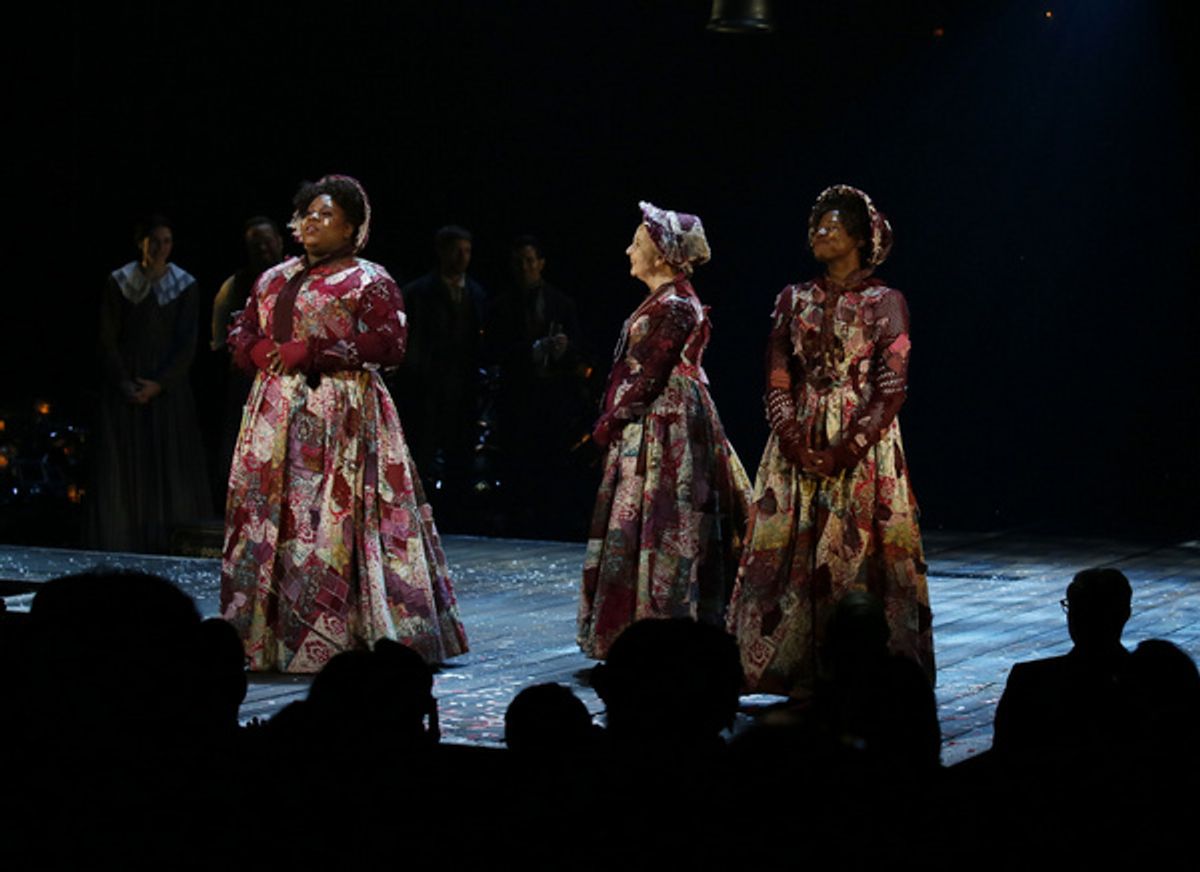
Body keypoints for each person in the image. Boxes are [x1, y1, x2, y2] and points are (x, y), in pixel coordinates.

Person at [220, 175, 468, 673]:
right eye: (306, 211)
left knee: (330, 523)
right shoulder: (272, 277)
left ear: (353, 227)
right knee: (276, 520)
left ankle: (343, 633)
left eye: (326, 213)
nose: (311, 219)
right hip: (274, 417)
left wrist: (313, 350)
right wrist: (254, 348)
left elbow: (390, 344)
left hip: (341, 415)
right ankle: (268, 636)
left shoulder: (368, 279)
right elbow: (242, 326)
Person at [726, 185, 934, 696]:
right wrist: (794, 441)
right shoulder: (792, 299)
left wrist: (845, 450)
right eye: (815, 224)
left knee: (857, 552)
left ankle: (863, 671)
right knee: (788, 553)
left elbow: (891, 388)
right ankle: (791, 667)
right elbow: (777, 376)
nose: (818, 231)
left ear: (861, 238)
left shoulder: (887, 303)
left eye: (831, 225)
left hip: (862, 444)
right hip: (797, 440)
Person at [578, 202, 751, 660]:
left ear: (659, 252)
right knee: (643, 521)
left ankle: (663, 625)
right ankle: (635, 624)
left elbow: (653, 373)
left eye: (637, 242)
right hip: (652, 417)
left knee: (664, 518)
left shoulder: (675, 304)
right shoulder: (663, 300)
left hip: (667, 422)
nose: (629, 249)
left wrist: (611, 421)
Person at [88, 215, 211, 552]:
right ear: (140, 242)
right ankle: (122, 543)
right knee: (124, 470)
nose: (160, 248)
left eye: (167, 241)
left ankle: (167, 544)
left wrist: (159, 383)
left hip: (166, 390)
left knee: (169, 465)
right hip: (125, 386)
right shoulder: (120, 281)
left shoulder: (184, 284)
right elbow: (107, 338)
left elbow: (187, 343)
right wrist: (123, 382)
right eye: (154, 240)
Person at [487, 235, 594, 537]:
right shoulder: (500, 306)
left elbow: (580, 350)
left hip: (552, 399)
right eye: (519, 262)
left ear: (541, 264)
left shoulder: (562, 303)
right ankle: (517, 522)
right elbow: (494, 351)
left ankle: (551, 522)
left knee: (552, 463)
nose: (525, 267)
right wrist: (531, 350)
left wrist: (564, 350)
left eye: (530, 261)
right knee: (517, 463)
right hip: (517, 398)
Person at [394, 224, 489, 505]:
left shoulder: (477, 293)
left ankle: (457, 511)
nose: (462, 257)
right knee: (422, 454)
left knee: (460, 456)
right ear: (441, 252)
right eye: (456, 250)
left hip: (464, 388)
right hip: (426, 389)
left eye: (467, 251)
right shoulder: (417, 293)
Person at [208, 217, 285, 510]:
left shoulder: (298, 278)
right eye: (255, 245)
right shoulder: (235, 286)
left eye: (267, 241)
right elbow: (219, 341)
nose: (263, 249)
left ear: (279, 240)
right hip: (248, 383)